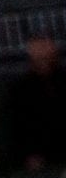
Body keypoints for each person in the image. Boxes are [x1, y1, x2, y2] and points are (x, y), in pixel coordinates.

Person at [6, 32, 65, 170]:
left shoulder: (61, 80)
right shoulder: (22, 89)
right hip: (41, 151)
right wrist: (29, 154)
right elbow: (19, 124)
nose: (43, 60)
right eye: (39, 57)